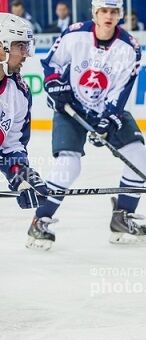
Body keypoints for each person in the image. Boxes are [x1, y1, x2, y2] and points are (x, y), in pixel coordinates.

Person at [26, 0, 146, 251]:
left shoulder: (129, 48)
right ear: (94, 13)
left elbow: (121, 91)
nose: (108, 15)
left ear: (120, 15)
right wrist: (53, 84)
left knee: (139, 156)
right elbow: (52, 63)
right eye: (103, 11)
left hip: (105, 107)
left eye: (114, 11)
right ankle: (41, 220)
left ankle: (122, 217)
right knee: (68, 164)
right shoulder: (75, 34)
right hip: (71, 108)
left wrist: (108, 119)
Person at [0, 13, 48, 211]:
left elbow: (11, 146)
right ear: (2, 47)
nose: (27, 54)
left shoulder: (19, 93)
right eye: (21, 46)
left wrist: (20, 173)